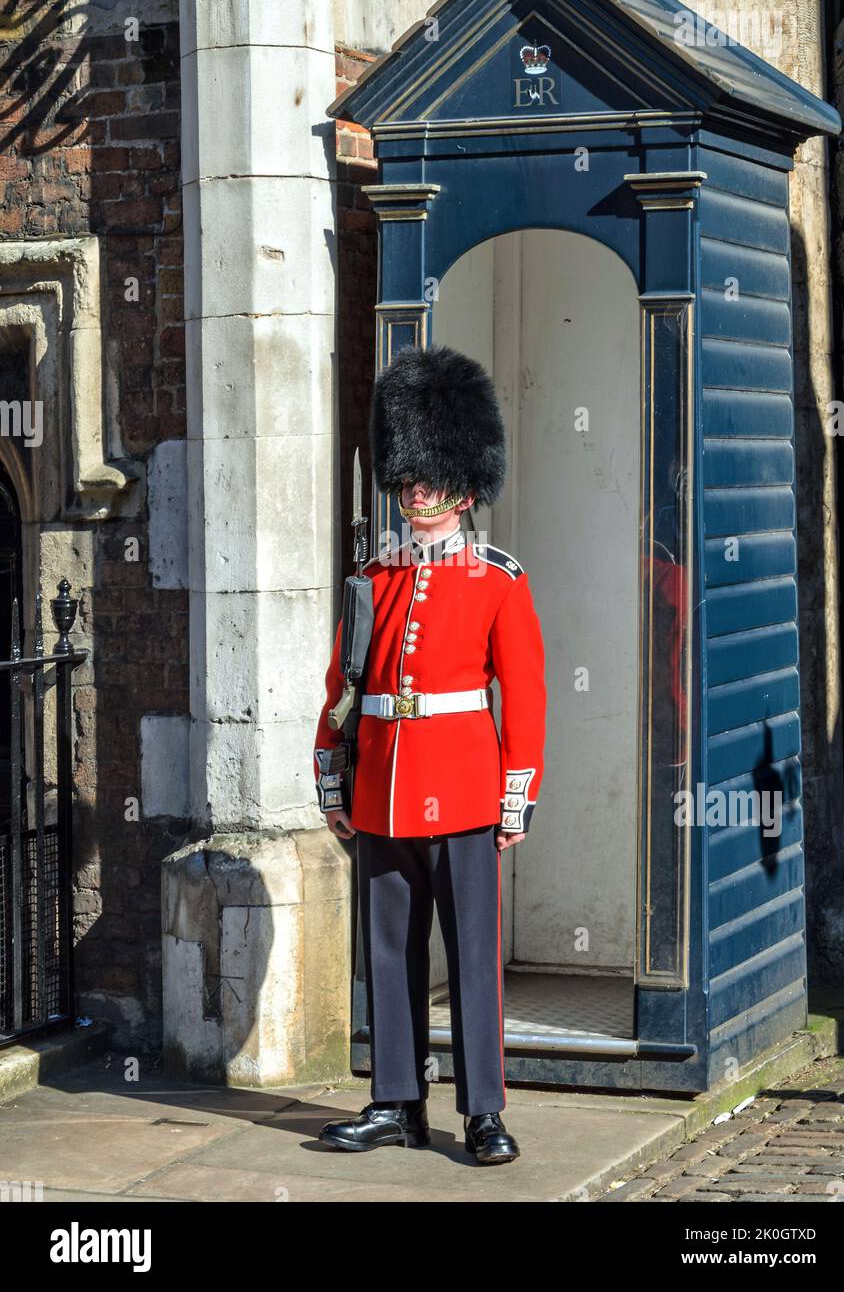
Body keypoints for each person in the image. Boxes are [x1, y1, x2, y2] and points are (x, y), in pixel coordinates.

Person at [312, 343, 546, 1164]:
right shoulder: (373, 578)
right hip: (381, 791)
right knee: (390, 952)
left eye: (432, 477)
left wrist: (515, 792)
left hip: (466, 791)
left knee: (473, 958)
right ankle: (396, 1102)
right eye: (409, 476)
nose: (418, 491)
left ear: (465, 486)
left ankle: (482, 1111)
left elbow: (525, 696)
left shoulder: (496, 580)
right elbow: (345, 686)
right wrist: (332, 779)